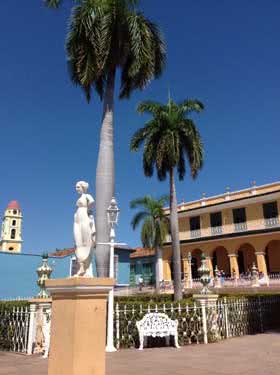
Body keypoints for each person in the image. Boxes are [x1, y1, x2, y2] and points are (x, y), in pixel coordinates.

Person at [73, 181, 96, 276]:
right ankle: (80, 265)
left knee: (86, 240)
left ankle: (84, 267)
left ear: (83, 187)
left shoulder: (87, 196)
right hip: (77, 219)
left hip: (84, 218)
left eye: (78, 187)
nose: (76, 188)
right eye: (76, 187)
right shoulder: (79, 198)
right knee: (77, 241)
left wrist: (88, 212)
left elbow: (92, 203)